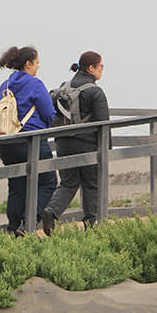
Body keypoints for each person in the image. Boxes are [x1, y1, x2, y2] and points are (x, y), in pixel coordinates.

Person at [43, 51, 109, 235]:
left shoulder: (64, 87)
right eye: (101, 66)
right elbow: (104, 124)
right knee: (91, 184)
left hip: (63, 143)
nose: (102, 70)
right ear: (91, 68)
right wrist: (106, 149)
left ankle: (51, 212)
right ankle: (92, 225)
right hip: (87, 145)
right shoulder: (95, 91)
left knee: (68, 183)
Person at [0, 46, 57, 236]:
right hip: (31, 142)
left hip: (7, 142)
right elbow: (48, 113)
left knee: (17, 186)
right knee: (48, 182)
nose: (38, 67)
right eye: (37, 63)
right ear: (28, 63)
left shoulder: (4, 85)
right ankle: (28, 222)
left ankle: (13, 229)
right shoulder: (35, 84)